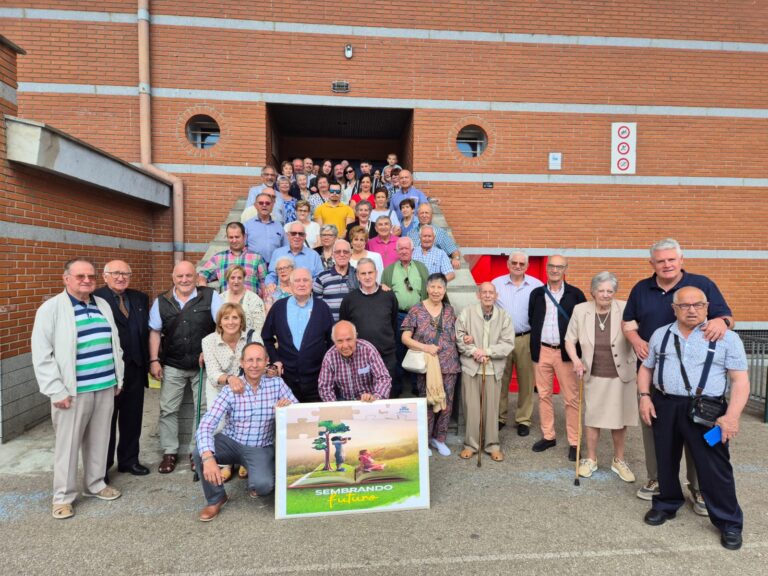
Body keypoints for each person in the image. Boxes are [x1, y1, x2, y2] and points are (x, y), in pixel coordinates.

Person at [623, 238, 733, 510]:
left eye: (671, 259)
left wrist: (721, 321)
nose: (667, 264)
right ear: (652, 264)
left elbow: (727, 317)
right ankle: (658, 480)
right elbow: (628, 322)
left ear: (681, 260)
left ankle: (699, 489)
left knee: (698, 436)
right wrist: (636, 340)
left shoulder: (702, 285)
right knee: (655, 434)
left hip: (697, 383)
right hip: (654, 377)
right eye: (660, 261)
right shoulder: (641, 289)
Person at [637, 286, 749, 551]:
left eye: (698, 304)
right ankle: (666, 504)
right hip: (665, 405)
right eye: (685, 305)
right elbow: (647, 367)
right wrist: (644, 396)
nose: (692, 310)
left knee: (715, 468)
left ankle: (729, 522)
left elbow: (740, 381)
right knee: (665, 459)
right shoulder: (660, 335)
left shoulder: (727, 338)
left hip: (708, 410)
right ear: (674, 309)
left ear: (707, 306)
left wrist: (731, 417)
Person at [32, 258, 124, 519]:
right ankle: (62, 496)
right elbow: (42, 354)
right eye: (80, 276)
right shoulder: (52, 309)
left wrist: (119, 378)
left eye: (91, 277)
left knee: (99, 440)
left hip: (105, 386)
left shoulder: (102, 304)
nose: (87, 280)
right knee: (68, 444)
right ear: (66, 279)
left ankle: (96, 484)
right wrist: (56, 390)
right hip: (73, 391)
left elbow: (114, 344)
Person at [194, 342, 297, 522]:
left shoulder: (277, 384)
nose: (254, 365)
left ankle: (256, 477)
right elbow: (206, 423)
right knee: (199, 451)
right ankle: (216, 498)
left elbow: (298, 411)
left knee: (264, 486)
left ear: (267, 361)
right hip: (231, 442)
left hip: (260, 446)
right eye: (249, 360)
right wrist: (208, 458)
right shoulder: (230, 389)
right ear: (241, 363)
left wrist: (288, 407)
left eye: (259, 360)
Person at [564, 272, 639, 482]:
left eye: (610, 291)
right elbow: (569, 340)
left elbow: (637, 334)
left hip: (621, 373)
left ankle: (619, 460)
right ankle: (591, 459)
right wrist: (576, 360)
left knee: (620, 419)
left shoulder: (625, 308)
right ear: (593, 292)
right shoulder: (581, 310)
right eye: (601, 290)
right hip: (593, 373)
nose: (606, 295)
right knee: (593, 418)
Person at [149, 261, 222, 474]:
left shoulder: (210, 296)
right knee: (168, 408)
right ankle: (169, 452)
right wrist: (154, 360)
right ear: (173, 278)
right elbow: (155, 331)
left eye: (188, 276)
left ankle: (196, 450)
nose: (184, 280)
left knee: (202, 409)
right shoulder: (161, 301)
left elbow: (221, 325)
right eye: (180, 276)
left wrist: (209, 350)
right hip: (173, 364)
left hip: (203, 365)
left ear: (195, 277)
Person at [94, 260, 150, 478]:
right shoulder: (96, 298)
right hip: (108, 370)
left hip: (135, 368)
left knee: (132, 418)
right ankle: (102, 467)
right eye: (116, 273)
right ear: (105, 276)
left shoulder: (140, 298)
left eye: (125, 273)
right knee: (105, 420)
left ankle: (129, 460)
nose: (121, 277)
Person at [528, 255, 587, 461]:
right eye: (551, 266)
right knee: (543, 395)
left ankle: (574, 441)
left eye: (559, 267)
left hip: (566, 354)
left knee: (571, 398)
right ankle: (548, 435)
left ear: (565, 269)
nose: (554, 270)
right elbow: (531, 317)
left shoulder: (576, 294)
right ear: (547, 268)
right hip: (542, 351)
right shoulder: (536, 293)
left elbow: (583, 324)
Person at [401, 273, 461, 457]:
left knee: (446, 403)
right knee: (427, 403)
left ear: (444, 290)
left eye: (440, 287)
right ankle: (424, 440)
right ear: (427, 288)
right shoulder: (416, 310)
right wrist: (426, 347)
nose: (436, 291)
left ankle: (440, 439)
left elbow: (457, 333)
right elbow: (405, 338)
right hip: (426, 366)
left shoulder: (450, 311)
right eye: (433, 287)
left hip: (449, 365)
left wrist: (467, 337)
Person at [456, 283, 515, 462]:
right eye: (484, 292)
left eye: (491, 292)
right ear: (478, 295)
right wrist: (474, 351)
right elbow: (459, 337)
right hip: (472, 367)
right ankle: (471, 445)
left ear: (496, 295)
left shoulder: (504, 316)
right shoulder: (467, 313)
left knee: (491, 409)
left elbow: (507, 344)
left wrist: (487, 351)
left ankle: (492, 445)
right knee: (472, 407)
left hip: (493, 369)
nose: (488, 295)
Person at [261, 268, 334, 402]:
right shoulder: (278, 307)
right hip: (286, 382)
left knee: (316, 421)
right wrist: (275, 359)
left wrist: (326, 366)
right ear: (290, 284)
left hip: (317, 380)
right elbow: (266, 337)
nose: (301, 284)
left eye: (305, 280)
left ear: (311, 284)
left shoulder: (322, 308)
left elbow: (331, 341)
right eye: (297, 281)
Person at [491, 251, 543, 436]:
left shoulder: (537, 286)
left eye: (522, 263)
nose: (518, 266)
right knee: (500, 379)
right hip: (501, 339)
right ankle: (499, 417)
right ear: (508, 263)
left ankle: (523, 419)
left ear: (527, 266)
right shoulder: (496, 283)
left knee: (526, 381)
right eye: (514, 262)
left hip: (525, 338)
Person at [200, 302, 253, 483]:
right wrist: (231, 379)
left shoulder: (252, 337)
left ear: (241, 320)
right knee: (221, 424)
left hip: (246, 386)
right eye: (226, 318)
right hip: (219, 386)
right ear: (220, 322)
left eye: (235, 317)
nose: (231, 322)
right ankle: (226, 463)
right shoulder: (208, 341)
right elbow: (213, 373)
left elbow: (257, 363)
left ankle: (245, 458)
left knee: (247, 420)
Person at [339, 259, 399, 394]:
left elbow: (393, 323)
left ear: (376, 273)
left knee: (387, 397)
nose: (367, 277)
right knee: (364, 399)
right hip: (359, 359)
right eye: (363, 273)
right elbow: (345, 327)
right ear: (357, 276)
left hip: (386, 357)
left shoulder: (388, 296)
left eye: (370, 272)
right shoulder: (349, 299)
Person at [381, 237, 430, 397]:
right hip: (398, 316)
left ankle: (417, 385)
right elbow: (383, 292)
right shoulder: (389, 270)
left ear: (412, 250)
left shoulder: (421, 268)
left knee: (417, 348)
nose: (403, 251)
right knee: (398, 350)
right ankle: (399, 385)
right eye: (400, 248)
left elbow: (427, 290)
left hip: (418, 315)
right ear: (396, 251)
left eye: (406, 248)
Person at [318, 320, 392, 402]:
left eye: (349, 339)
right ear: (333, 341)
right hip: (344, 401)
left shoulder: (368, 350)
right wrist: (337, 408)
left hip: (369, 400)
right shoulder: (329, 357)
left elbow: (383, 378)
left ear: (356, 337)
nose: (345, 346)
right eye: (340, 341)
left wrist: (376, 397)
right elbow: (325, 388)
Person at [197, 221, 268, 294]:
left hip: (250, 303)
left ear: (244, 237)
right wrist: (202, 282)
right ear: (227, 238)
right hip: (227, 303)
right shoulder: (218, 258)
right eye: (231, 237)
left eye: (237, 237)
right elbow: (202, 274)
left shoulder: (257, 258)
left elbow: (265, 283)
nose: (234, 240)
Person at [265, 221, 323, 287]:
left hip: (306, 294)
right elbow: (272, 275)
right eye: (293, 233)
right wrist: (270, 284)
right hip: (282, 295)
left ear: (305, 236)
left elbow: (319, 278)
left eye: (300, 234)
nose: (297, 236)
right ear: (287, 235)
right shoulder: (277, 253)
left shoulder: (314, 255)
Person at [312, 239, 358, 322]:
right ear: (332, 255)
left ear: (350, 254)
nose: (342, 254)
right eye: (338, 252)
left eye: (345, 252)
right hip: (329, 326)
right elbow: (317, 305)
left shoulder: (357, 275)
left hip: (353, 326)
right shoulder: (322, 277)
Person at [407, 203, 461, 270]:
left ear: (431, 215)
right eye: (422, 213)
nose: (424, 215)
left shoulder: (440, 232)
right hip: (414, 270)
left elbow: (453, 251)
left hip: (433, 271)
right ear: (417, 215)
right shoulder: (411, 234)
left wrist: (456, 259)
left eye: (427, 213)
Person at [243, 192, 287, 265]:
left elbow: (285, 247)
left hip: (274, 266)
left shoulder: (279, 226)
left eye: (267, 203)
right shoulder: (247, 225)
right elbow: (243, 248)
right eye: (261, 203)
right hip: (254, 266)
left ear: (272, 205)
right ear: (255, 205)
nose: (264, 205)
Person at [220, 265, 266, 334]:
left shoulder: (254, 299)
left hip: (249, 341)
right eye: (232, 278)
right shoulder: (220, 298)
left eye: (239, 278)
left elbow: (259, 327)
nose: (236, 281)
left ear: (244, 279)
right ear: (227, 279)